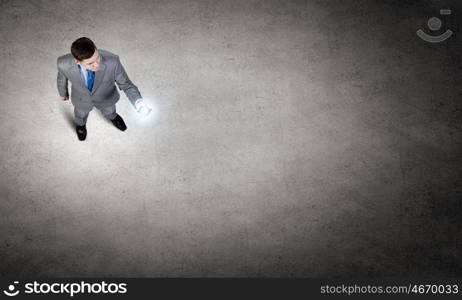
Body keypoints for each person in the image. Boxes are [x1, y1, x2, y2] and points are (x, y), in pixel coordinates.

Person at [57, 37, 146, 141]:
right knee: (80, 115)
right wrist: (63, 93)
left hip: (106, 97)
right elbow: (61, 79)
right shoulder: (63, 64)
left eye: (97, 58)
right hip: (81, 99)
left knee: (110, 111)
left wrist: (138, 102)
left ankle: (113, 117)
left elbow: (126, 84)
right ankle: (80, 126)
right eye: (90, 63)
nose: (97, 64)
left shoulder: (113, 61)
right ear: (77, 61)